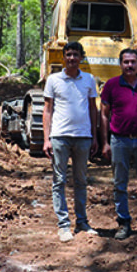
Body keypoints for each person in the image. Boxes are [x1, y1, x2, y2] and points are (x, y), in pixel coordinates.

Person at [100, 48, 137, 240]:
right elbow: (104, 114)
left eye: (133, 62)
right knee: (120, 183)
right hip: (119, 140)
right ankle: (123, 222)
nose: (129, 65)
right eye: (126, 62)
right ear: (120, 64)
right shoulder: (111, 85)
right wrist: (105, 142)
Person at [43, 41, 99, 242]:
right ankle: (64, 224)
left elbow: (93, 109)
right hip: (60, 137)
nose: (72, 58)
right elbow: (47, 110)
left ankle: (82, 222)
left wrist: (94, 136)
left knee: (81, 180)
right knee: (59, 181)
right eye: (68, 55)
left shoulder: (89, 80)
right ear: (63, 57)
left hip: (83, 137)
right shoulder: (53, 80)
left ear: (81, 57)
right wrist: (46, 138)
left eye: (76, 54)